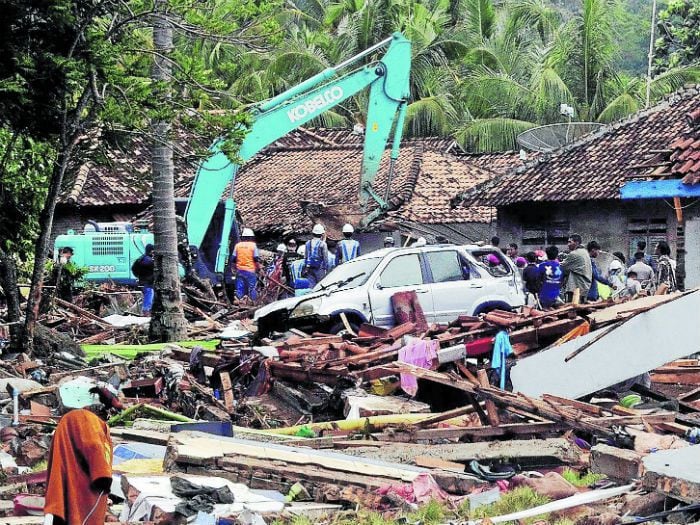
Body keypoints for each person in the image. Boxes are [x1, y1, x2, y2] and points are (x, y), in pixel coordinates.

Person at [44, 409, 113, 525]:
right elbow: (93, 445)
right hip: (82, 487)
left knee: (63, 510)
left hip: (69, 475)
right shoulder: (87, 419)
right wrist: (103, 477)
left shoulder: (70, 419)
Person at [561, 234, 592, 302]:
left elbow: (561, 267)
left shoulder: (574, 254)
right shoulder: (584, 252)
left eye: (570, 242)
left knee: (572, 308)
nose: (568, 244)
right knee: (581, 309)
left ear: (576, 242)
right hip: (584, 286)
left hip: (576, 288)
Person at [231, 228, 261, 300]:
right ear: (251, 237)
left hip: (240, 271)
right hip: (250, 271)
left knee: (240, 288)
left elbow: (233, 259)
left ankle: (239, 303)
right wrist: (259, 268)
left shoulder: (237, 246)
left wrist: (234, 268)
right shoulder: (253, 246)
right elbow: (256, 259)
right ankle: (252, 303)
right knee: (252, 289)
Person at [131, 244, 155, 315]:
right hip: (148, 282)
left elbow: (133, 268)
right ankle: (146, 310)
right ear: (151, 251)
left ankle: (147, 310)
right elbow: (153, 267)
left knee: (148, 295)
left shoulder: (141, 258)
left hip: (143, 280)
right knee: (149, 294)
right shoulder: (148, 260)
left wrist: (138, 276)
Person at [303, 224, 329, 288]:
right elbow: (325, 258)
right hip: (319, 268)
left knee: (311, 286)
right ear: (321, 234)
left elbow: (306, 256)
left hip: (309, 267)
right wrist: (326, 268)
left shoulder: (307, 243)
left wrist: (306, 266)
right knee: (320, 286)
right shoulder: (323, 244)